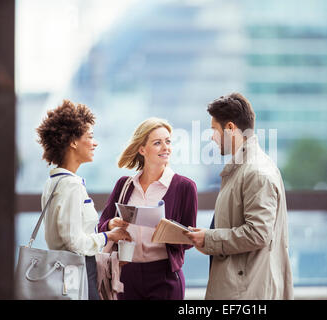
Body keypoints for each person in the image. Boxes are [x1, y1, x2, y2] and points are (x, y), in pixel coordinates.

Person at [185, 92, 294, 300]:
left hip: (247, 292)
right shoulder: (243, 169)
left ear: (230, 128)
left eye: (214, 130)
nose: (211, 137)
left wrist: (209, 239)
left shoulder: (256, 172)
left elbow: (259, 233)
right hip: (243, 288)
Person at [36, 100, 131, 300]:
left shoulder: (52, 182)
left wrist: (104, 229)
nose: (95, 143)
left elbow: (70, 233)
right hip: (76, 274)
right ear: (73, 142)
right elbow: (74, 243)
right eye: (90, 136)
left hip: (62, 271)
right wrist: (109, 237)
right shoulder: (71, 185)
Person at [98, 117, 197, 300]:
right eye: (157, 143)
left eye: (168, 142)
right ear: (142, 149)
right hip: (126, 274)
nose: (165, 147)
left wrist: (166, 232)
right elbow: (101, 226)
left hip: (164, 275)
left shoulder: (185, 187)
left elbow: (190, 240)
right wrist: (112, 225)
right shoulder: (124, 185)